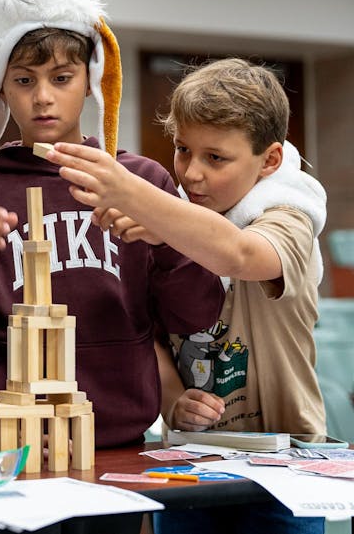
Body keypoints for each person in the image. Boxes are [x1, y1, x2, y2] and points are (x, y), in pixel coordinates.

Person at [0, 0, 224, 450]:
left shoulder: (141, 181)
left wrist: (163, 240)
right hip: (16, 442)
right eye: (24, 80)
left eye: (61, 78)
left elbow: (196, 315)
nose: (43, 96)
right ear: (0, 90)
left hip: (123, 438)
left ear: (90, 79)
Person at [45, 58, 327, 534]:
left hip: (284, 469)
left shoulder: (289, 217)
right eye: (182, 151)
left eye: (216, 158)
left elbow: (237, 254)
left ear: (270, 160)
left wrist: (133, 194)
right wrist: (174, 400)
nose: (192, 174)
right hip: (187, 464)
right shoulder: (163, 222)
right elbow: (146, 333)